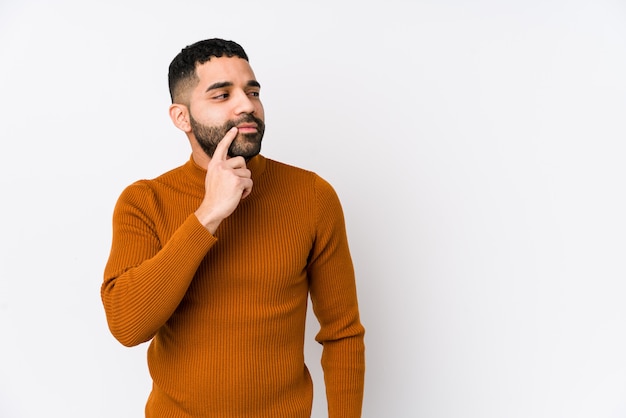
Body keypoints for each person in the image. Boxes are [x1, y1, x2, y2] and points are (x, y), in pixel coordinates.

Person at [101, 38, 365, 418]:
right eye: (222, 95)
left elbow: (343, 334)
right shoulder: (145, 201)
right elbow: (127, 326)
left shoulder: (312, 196)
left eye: (252, 91)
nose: (247, 105)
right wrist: (208, 214)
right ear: (182, 117)